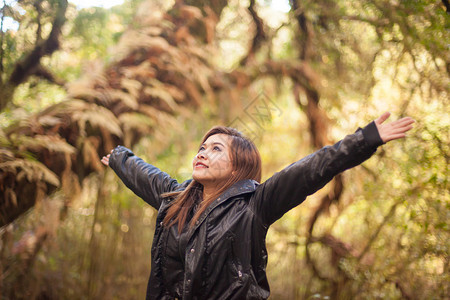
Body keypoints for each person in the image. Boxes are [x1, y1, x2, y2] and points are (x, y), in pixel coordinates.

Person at [101, 112, 414, 300]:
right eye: (202, 148)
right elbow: (144, 175)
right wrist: (118, 158)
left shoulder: (255, 205)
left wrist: (366, 138)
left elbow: (311, 169)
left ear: (238, 167)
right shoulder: (176, 198)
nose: (202, 153)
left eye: (216, 149)